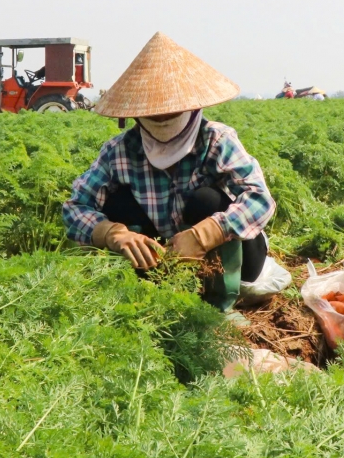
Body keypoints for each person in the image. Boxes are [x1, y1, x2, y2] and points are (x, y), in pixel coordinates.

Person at [62, 32, 277, 309]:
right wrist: (113, 234)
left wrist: (204, 236)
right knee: (117, 204)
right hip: (163, 254)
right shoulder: (121, 150)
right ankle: (155, 283)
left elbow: (259, 199)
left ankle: (219, 298)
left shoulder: (216, 140)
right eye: (155, 117)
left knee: (207, 200)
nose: (163, 122)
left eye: (170, 115)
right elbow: (75, 206)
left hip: (233, 255)